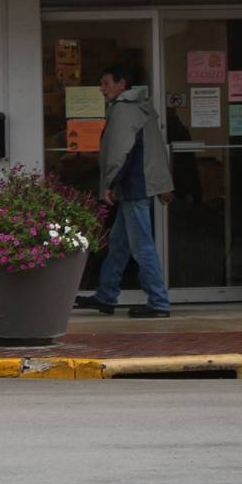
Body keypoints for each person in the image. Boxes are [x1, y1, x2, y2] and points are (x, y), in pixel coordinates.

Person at [74, 64, 174, 318]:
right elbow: (155, 150)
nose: (101, 88)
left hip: (132, 187)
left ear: (122, 84)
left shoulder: (122, 110)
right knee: (119, 244)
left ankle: (159, 302)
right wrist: (162, 184)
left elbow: (121, 152)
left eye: (106, 83)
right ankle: (106, 295)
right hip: (140, 184)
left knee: (142, 246)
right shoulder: (142, 108)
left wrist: (110, 183)